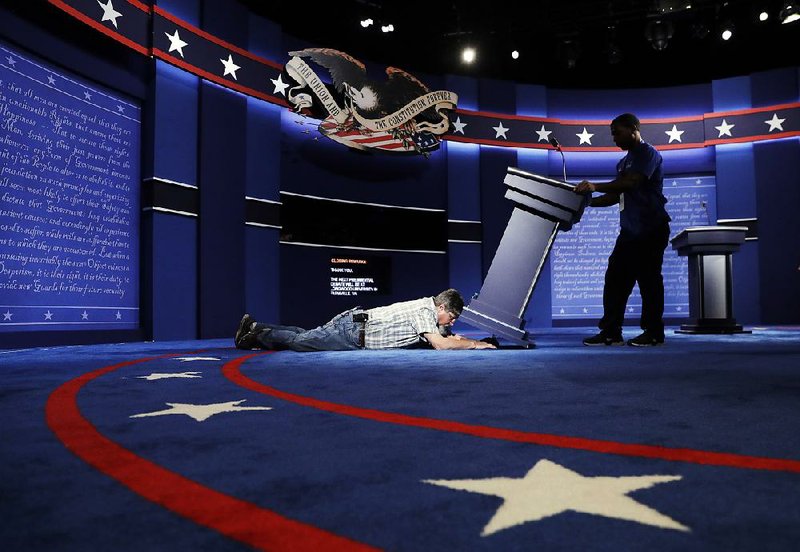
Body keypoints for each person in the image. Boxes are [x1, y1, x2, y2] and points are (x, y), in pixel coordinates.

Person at [573, 113, 671, 347]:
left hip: (651, 228)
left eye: (617, 132)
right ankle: (611, 331)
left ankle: (654, 332)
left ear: (634, 129)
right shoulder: (623, 162)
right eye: (613, 134)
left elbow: (632, 183)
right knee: (615, 280)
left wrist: (594, 186)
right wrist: (586, 203)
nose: (614, 138)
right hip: (629, 233)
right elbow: (617, 195)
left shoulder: (648, 153)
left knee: (649, 281)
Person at [234, 288, 497, 351]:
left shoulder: (427, 310)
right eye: (450, 317)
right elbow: (441, 344)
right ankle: (255, 333)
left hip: (354, 323)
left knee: (304, 335)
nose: (450, 322)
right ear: (441, 306)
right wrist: (476, 346)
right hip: (353, 333)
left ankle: (256, 327)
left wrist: (467, 339)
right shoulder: (425, 312)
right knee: (300, 342)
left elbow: (448, 337)